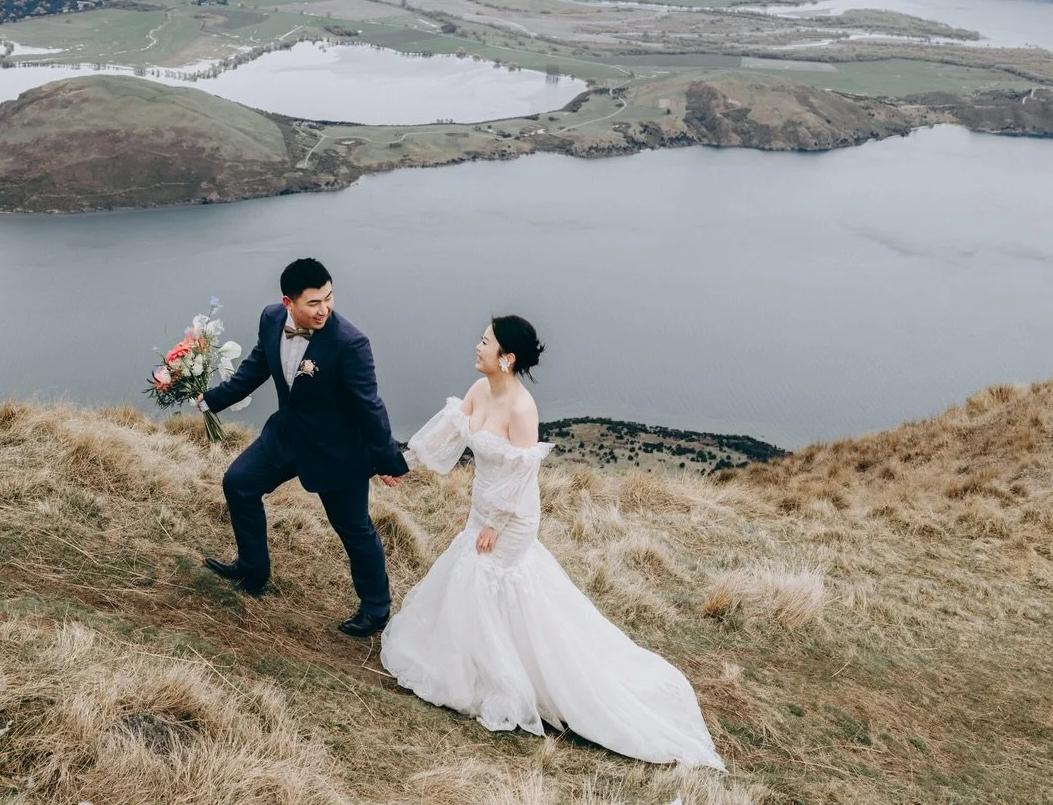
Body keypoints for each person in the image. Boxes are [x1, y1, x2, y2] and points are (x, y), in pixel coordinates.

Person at [380, 315, 725, 769]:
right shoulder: (479, 390)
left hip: (513, 516)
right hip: (483, 506)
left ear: (507, 356)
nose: (477, 346)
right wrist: (401, 464)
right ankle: (478, 663)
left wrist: (496, 525)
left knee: (495, 579)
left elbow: (523, 477)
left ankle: (528, 677)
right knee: (474, 577)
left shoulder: (523, 409)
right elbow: (445, 432)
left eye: (485, 341)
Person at [199, 258, 408, 637]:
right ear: (287, 302)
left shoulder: (350, 343)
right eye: (314, 302)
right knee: (238, 483)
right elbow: (256, 366)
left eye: (329, 298)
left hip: (337, 450)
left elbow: (369, 405)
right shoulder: (270, 319)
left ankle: (376, 609)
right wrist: (210, 400)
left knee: (354, 529)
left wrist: (387, 460)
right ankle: (252, 569)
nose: (324, 309)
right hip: (286, 435)